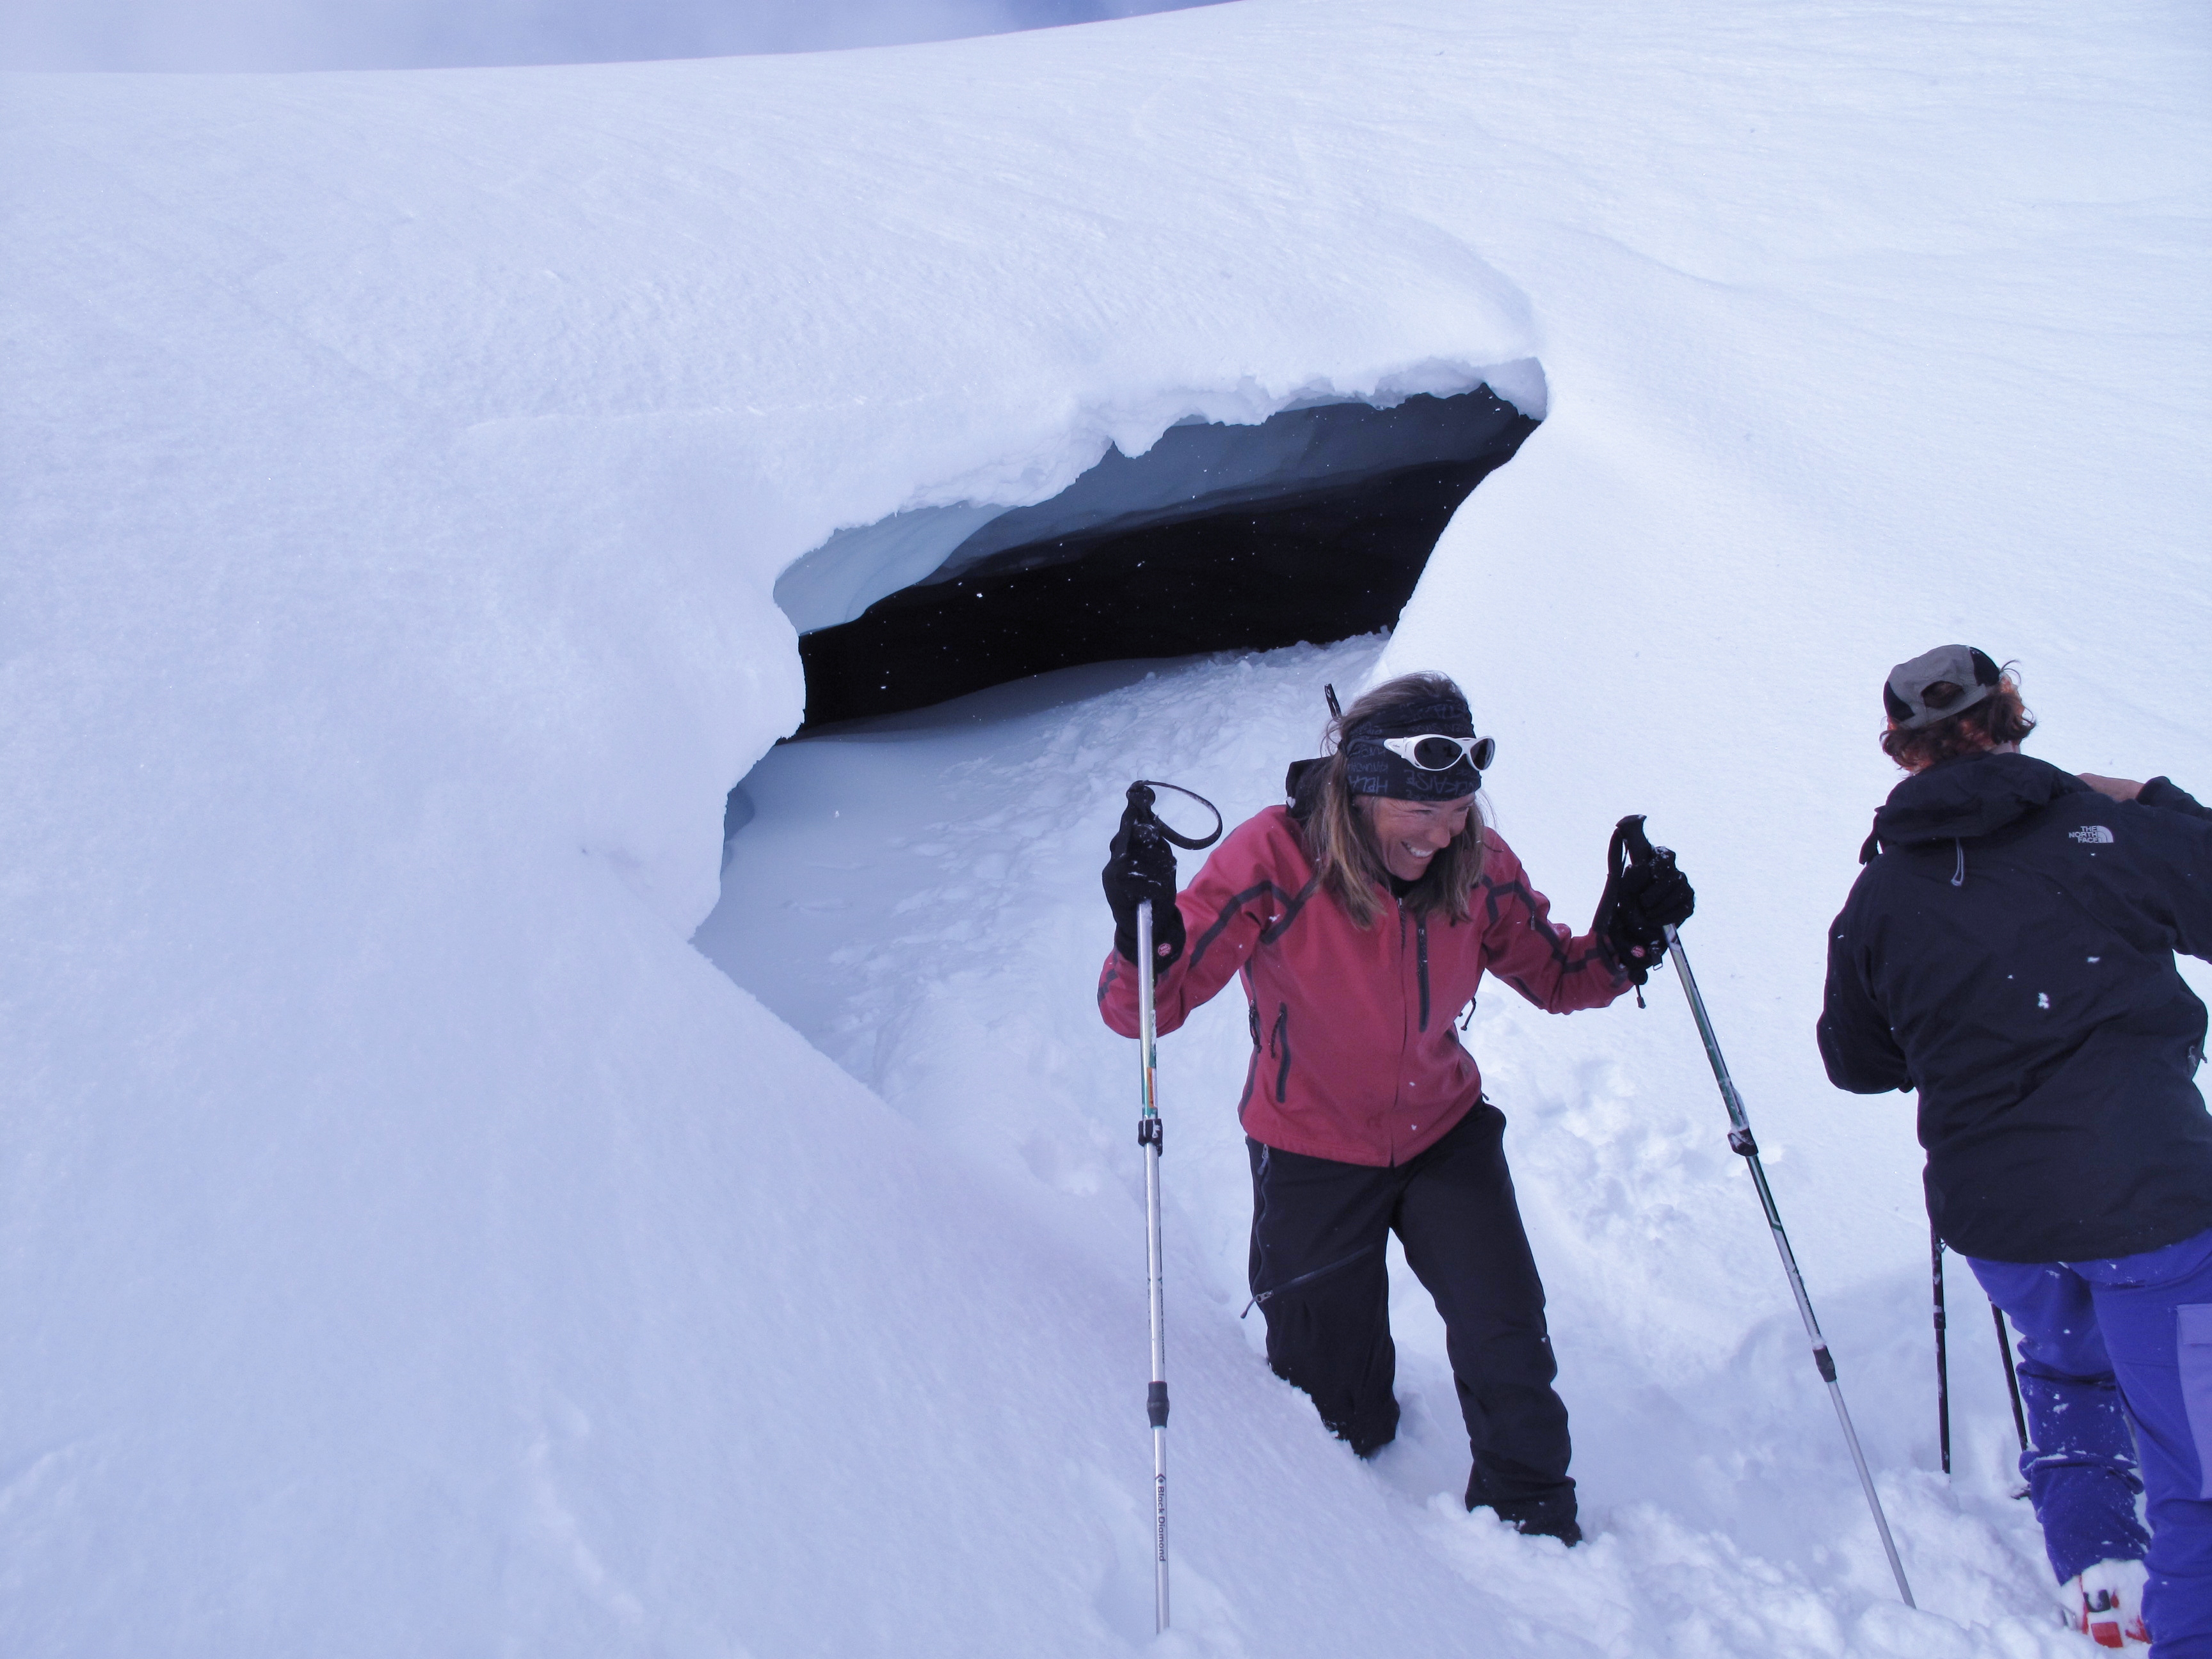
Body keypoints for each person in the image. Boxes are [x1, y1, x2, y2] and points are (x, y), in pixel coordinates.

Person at [1095, 671, 1693, 1545]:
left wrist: (1628, 942)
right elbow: (1143, 1008)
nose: (1446, 831)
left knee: (1506, 1332)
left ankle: (1531, 1515)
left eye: (1460, 809)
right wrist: (1140, 933)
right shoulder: (1275, 856)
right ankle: (1355, 1505)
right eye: (1427, 812)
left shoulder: (1476, 865)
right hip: (1311, 1148)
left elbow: (1561, 979)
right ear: (1367, 788)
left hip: (1444, 1135)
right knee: (1332, 1407)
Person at [1818, 644, 2212, 1654]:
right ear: (2013, 712)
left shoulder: (1879, 897)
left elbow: (1856, 1063)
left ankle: (2101, 1570)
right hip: (2153, 1201)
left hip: (2002, 1217)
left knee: (2071, 1372)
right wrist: (2158, 798)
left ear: (1900, 751)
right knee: (2195, 1462)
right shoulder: (2106, 833)